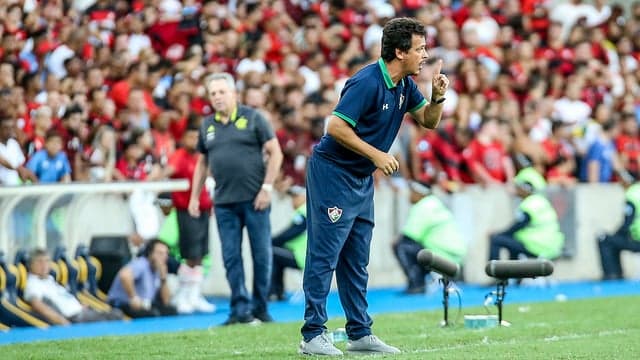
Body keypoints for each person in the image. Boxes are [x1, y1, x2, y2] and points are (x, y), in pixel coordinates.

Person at [299, 18, 449, 356]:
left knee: (356, 258)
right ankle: (312, 335)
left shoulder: (406, 86)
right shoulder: (366, 81)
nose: (424, 55)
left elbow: (427, 122)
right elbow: (334, 126)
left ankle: (359, 333)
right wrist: (377, 155)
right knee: (324, 255)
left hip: (360, 178)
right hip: (332, 173)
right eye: (420, 48)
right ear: (400, 51)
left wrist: (437, 98)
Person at [189, 73, 283, 325]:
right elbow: (201, 162)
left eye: (222, 92)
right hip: (224, 203)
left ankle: (260, 308)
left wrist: (267, 187)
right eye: (213, 93)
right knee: (231, 257)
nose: (217, 97)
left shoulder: (254, 118)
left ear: (234, 94)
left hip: (255, 200)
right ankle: (239, 310)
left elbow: (276, 153)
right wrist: (194, 196)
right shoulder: (207, 125)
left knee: (261, 255)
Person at [164, 124, 215, 314]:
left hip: (204, 210)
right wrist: (150, 182)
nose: (194, 141)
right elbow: (167, 171)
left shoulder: (202, 157)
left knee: (201, 254)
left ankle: (195, 295)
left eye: (197, 138)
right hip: (186, 210)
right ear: (183, 139)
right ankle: (183, 295)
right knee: (190, 255)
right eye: (190, 138)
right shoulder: (179, 156)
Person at [393, 181, 467, 294]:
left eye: (412, 192)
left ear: (419, 193)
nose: (410, 195)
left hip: (441, 258)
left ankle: (417, 284)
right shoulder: (435, 203)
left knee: (401, 246)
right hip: (457, 258)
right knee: (412, 247)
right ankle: (453, 277)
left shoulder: (422, 206)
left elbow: (408, 236)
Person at [24, 248, 124, 325]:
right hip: (74, 317)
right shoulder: (33, 284)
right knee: (116, 315)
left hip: (80, 311)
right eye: (39, 262)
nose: (44, 265)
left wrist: (80, 305)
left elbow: (63, 298)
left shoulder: (49, 279)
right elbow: (38, 306)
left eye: (46, 261)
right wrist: (62, 322)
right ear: (31, 265)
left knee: (115, 314)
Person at [488, 167, 565, 262]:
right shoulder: (541, 201)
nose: (516, 189)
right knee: (513, 241)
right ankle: (514, 274)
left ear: (525, 188)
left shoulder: (530, 204)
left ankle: (497, 273)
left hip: (538, 246)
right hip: (550, 246)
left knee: (497, 239)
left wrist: (497, 234)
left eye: (518, 186)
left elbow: (516, 227)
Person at [107, 239, 177, 318]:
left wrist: (163, 279)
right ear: (150, 253)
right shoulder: (141, 264)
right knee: (152, 315)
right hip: (122, 304)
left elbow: (166, 301)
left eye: (166, 254)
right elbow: (124, 275)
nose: (164, 257)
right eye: (160, 253)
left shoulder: (158, 269)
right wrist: (133, 297)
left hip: (145, 304)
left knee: (171, 310)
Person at [269, 185, 307, 301]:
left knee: (271, 251)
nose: (293, 201)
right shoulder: (306, 211)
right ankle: (277, 292)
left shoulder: (304, 211)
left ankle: (274, 292)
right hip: (302, 255)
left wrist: (270, 241)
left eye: (296, 197)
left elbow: (290, 234)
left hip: (301, 256)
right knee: (276, 251)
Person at [597, 182, 640, 280]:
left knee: (604, 239)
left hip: (637, 239)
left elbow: (628, 222)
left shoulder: (633, 193)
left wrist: (615, 236)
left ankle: (613, 275)